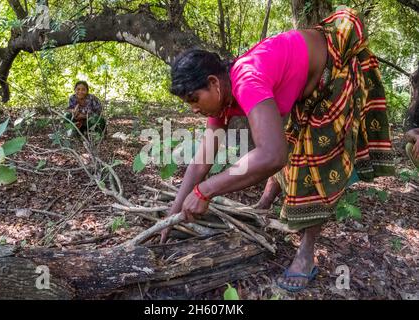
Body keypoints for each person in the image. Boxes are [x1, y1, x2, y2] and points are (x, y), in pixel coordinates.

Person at [162, 8, 395, 292]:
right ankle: (266, 202)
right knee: (287, 139)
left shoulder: (247, 80)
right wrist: (171, 217)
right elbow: (202, 161)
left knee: (312, 166)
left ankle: (306, 255)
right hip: (307, 89)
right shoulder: (222, 96)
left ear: (213, 82)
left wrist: (205, 191)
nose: (194, 108)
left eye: (193, 99)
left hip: (333, 76)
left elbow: (273, 155)